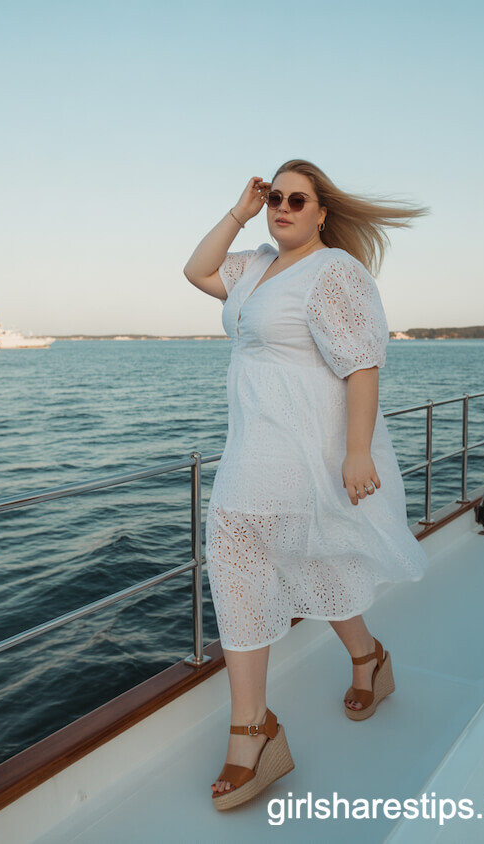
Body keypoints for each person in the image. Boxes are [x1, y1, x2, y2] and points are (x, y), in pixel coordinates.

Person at [183, 159, 429, 811]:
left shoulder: (333, 271)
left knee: (308, 560)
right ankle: (256, 725)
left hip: (304, 450)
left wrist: (357, 452)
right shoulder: (256, 266)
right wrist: (239, 212)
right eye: (276, 198)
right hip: (248, 450)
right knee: (236, 569)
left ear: (322, 213)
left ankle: (362, 660)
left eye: (298, 199)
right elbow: (198, 272)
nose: (283, 208)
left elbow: (362, 364)